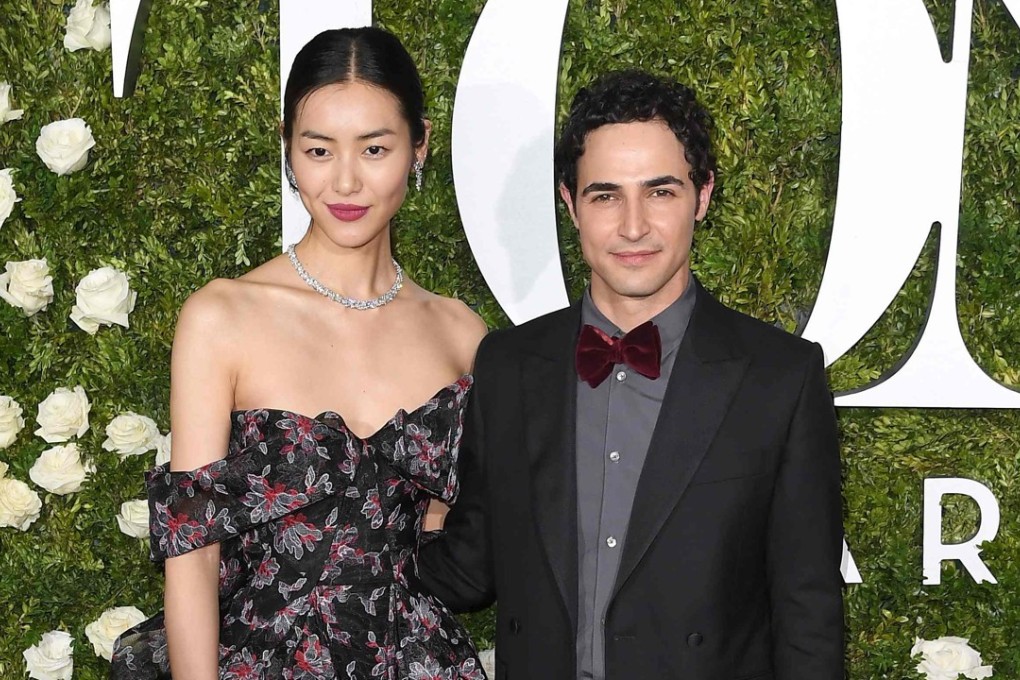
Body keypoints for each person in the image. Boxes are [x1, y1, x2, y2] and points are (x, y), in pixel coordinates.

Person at [418, 69, 845, 679]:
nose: (634, 225)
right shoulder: (509, 364)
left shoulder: (780, 377)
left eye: (661, 191)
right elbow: (472, 568)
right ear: (570, 205)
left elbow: (810, 614)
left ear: (702, 196)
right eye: (605, 195)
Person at [112, 26, 488, 679]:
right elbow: (191, 555)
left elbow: (454, 535)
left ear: (420, 144)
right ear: (288, 151)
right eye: (318, 149)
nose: (345, 180)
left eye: (375, 148)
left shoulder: (459, 333)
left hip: (415, 661)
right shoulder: (223, 316)